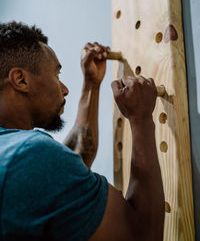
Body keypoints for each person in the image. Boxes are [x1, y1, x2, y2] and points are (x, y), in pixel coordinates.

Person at [0, 21, 164, 241]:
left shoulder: (12, 154)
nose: (65, 89)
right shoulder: (29, 155)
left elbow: (73, 162)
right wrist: (141, 118)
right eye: (56, 75)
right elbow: (143, 235)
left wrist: (91, 85)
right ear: (21, 79)